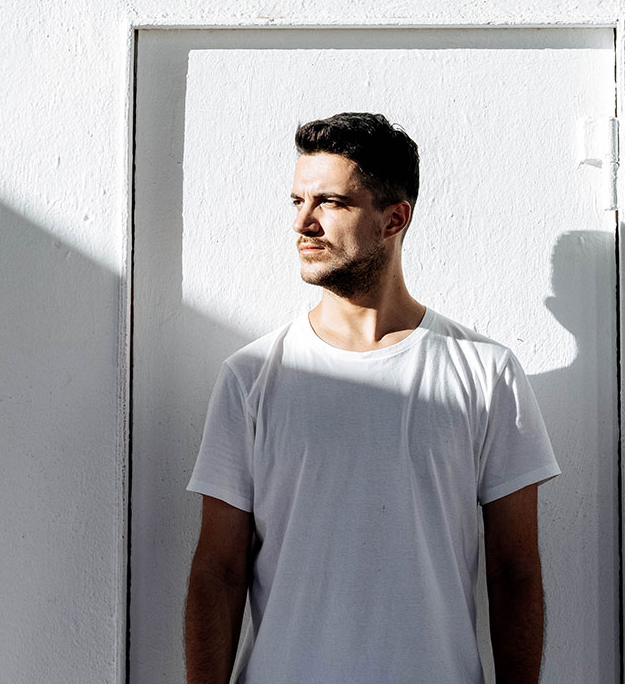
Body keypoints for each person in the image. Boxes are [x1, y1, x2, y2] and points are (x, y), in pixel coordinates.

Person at [183, 112, 561, 684]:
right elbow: (218, 570)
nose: (302, 223)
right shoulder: (251, 378)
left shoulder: (487, 373)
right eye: (296, 200)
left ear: (394, 219)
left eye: (330, 202)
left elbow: (515, 573)